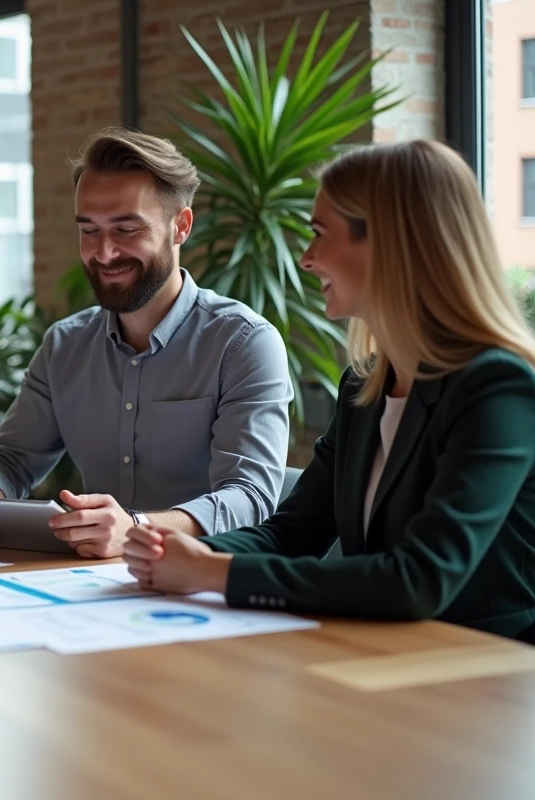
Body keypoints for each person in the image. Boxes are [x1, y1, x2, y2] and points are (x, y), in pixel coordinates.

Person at [123, 140, 535, 643]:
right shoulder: (366, 384)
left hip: (486, 677)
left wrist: (216, 574)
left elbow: (419, 579)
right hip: (381, 655)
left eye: (320, 235)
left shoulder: (499, 387)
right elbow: (295, 531)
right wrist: (192, 553)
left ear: (388, 244)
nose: (308, 258)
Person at [0, 126, 293, 558]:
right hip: (91, 590)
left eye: (126, 229)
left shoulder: (244, 344)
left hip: (208, 587)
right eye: (89, 231)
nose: (103, 253)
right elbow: (9, 457)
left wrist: (138, 528)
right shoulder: (64, 345)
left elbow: (250, 497)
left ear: (180, 227)